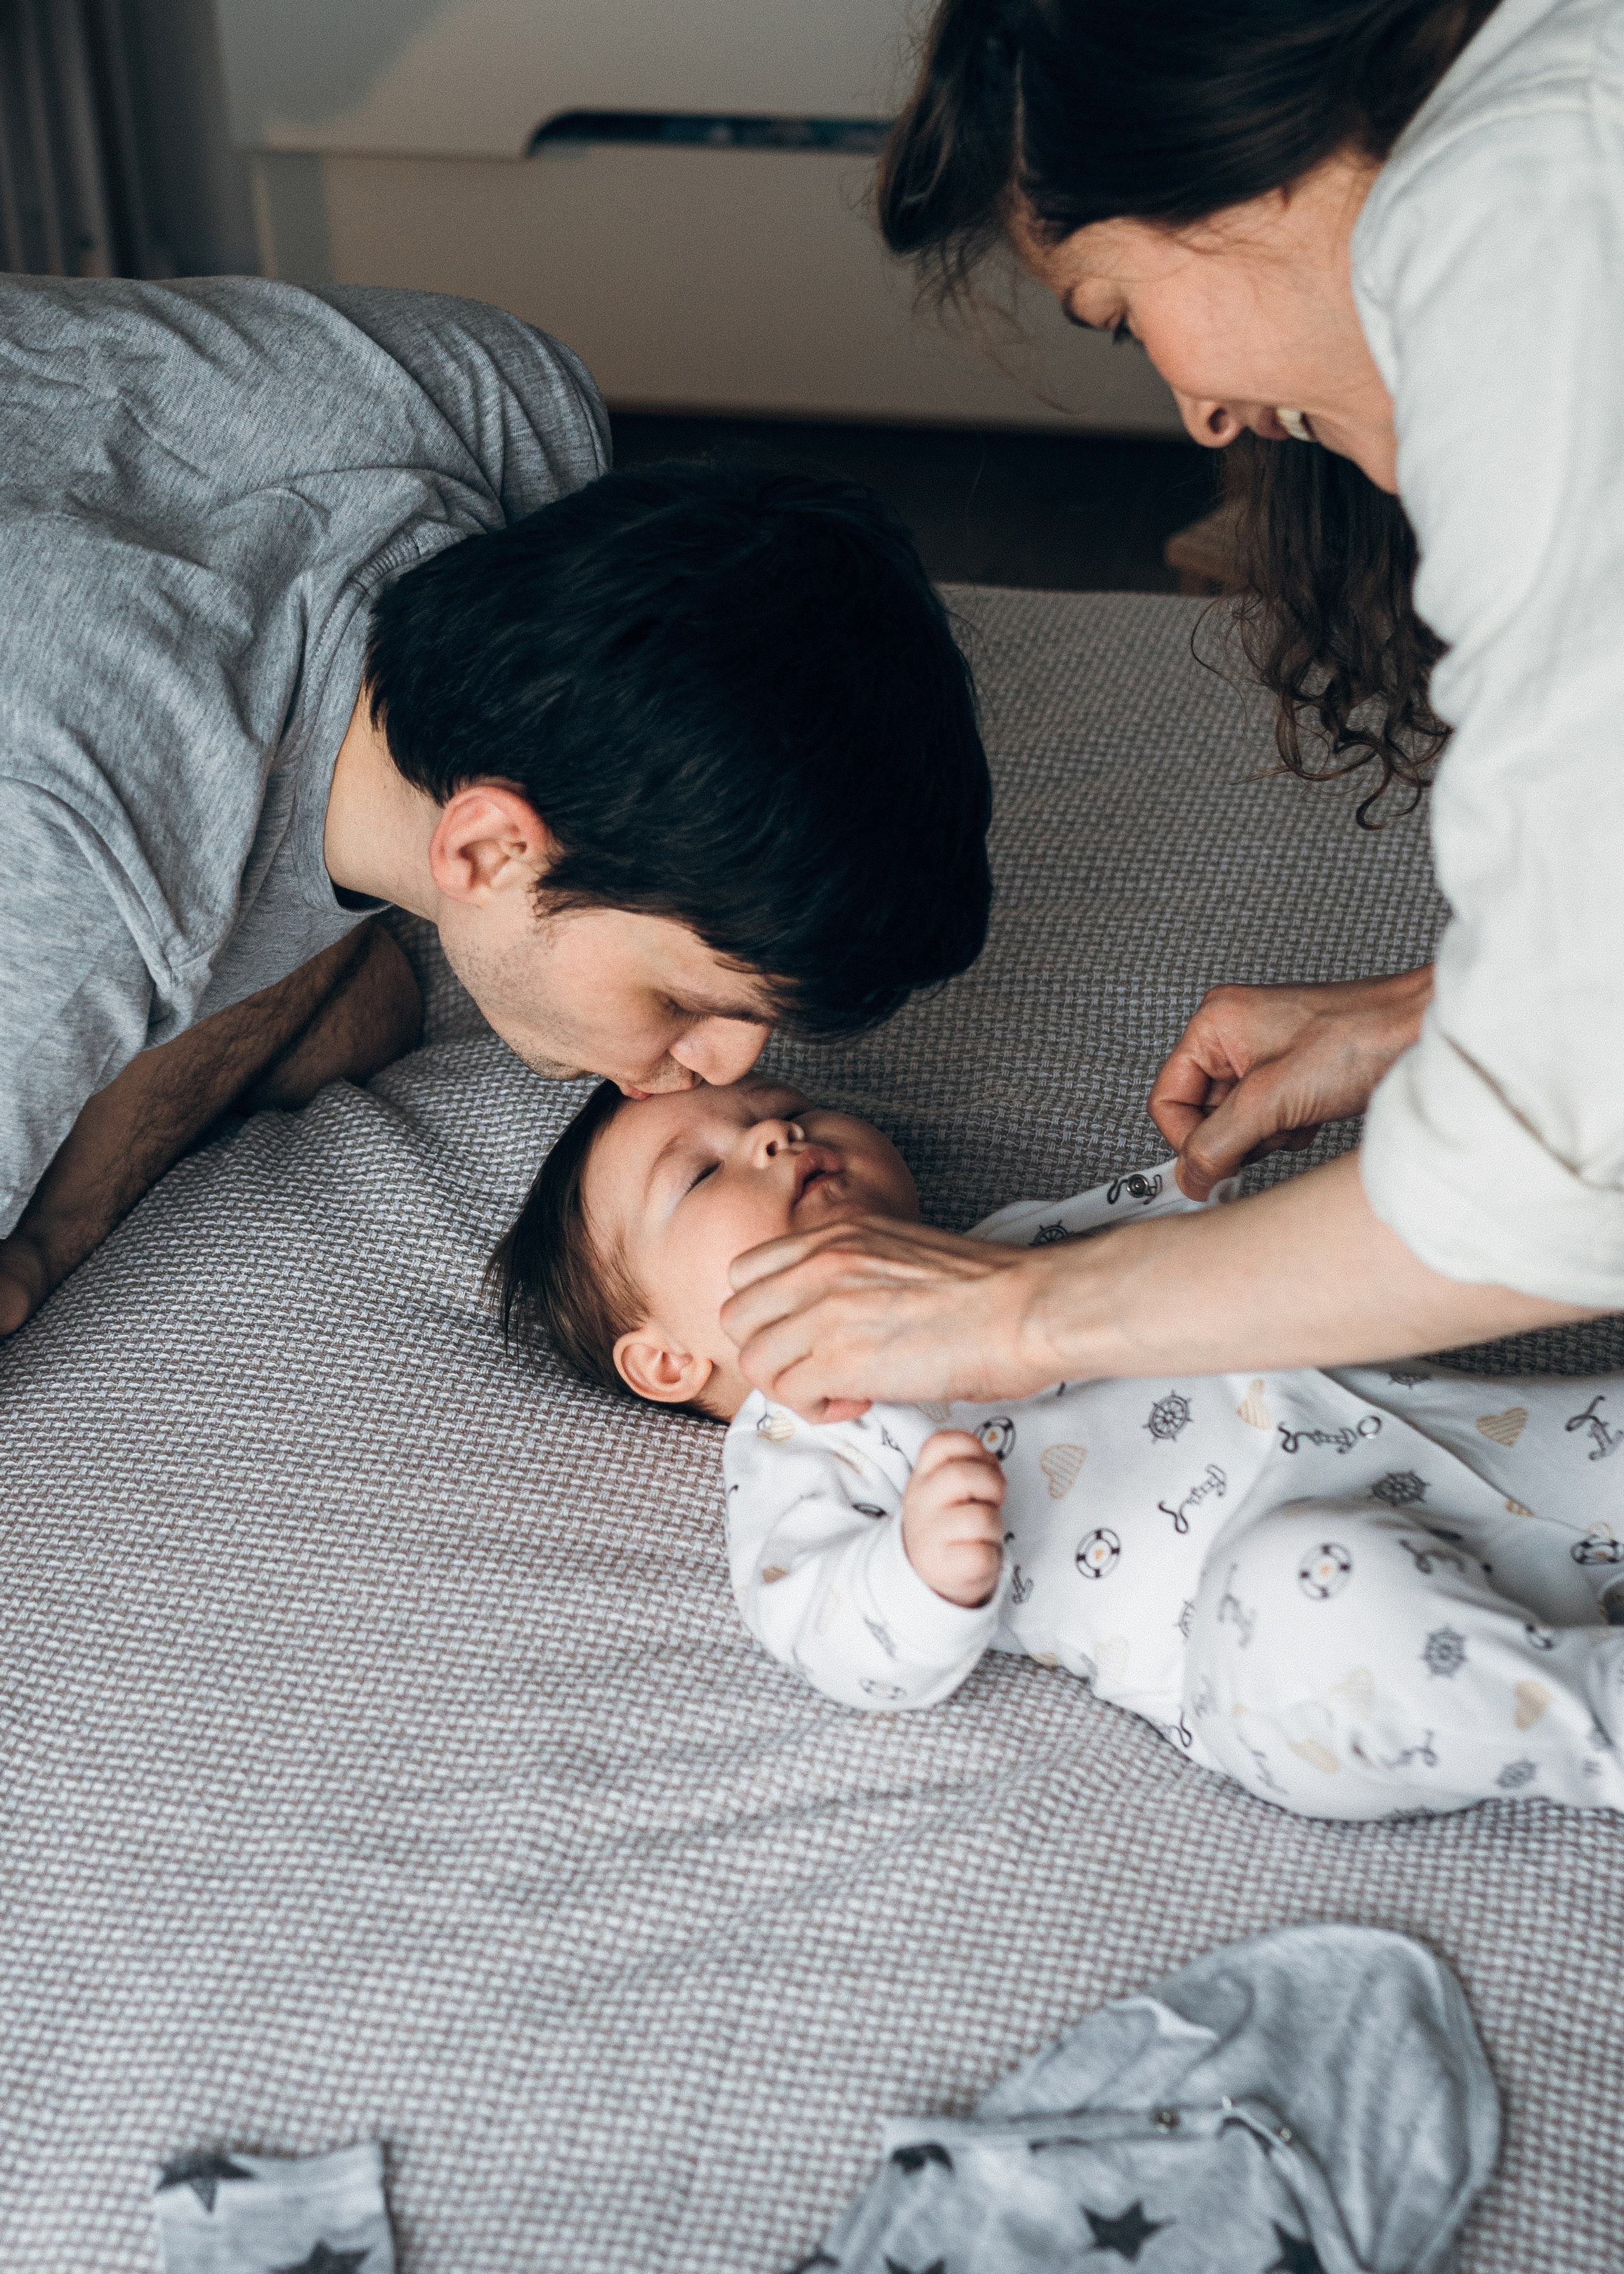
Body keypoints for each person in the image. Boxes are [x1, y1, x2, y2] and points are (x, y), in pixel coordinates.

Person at [718, 0, 1622, 1419]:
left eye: (1120, 315)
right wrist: (1440, 1009)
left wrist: (1021, 1314)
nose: (1200, 411)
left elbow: (1550, 1173)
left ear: (1225, 149)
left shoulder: (1519, 226)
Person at [0, 277, 991, 1339]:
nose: (730, 1070)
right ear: (481, 848)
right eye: (681, 1001)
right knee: (352, 1015)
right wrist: (48, 1243)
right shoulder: (67, 896)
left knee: (363, 1011)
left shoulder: (503, 403)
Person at [495, 1070, 1624, 1822]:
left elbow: (1190, 1234)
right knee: (1312, 1602)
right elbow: (820, 1621)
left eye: (788, 1108)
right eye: (702, 1173)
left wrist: (1219, 1147)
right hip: (1275, 1617)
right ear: (667, 1361)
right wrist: (917, 1568)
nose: (776, 1135)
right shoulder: (800, 1437)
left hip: (1448, 1438)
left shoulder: (1005, 1248)